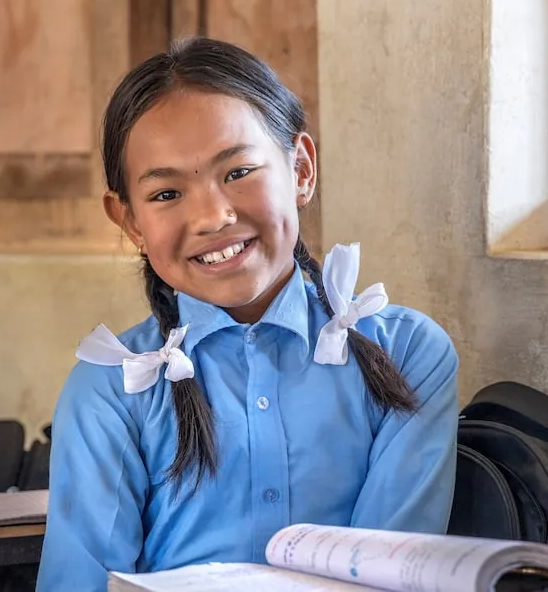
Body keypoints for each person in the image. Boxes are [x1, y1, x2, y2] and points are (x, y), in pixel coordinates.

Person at [36, 38, 460, 591]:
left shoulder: (406, 355)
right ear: (131, 222)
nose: (213, 216)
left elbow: (392, 575)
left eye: (237, 172)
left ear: (301, 168)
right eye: (166, 194)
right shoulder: (112, 388)